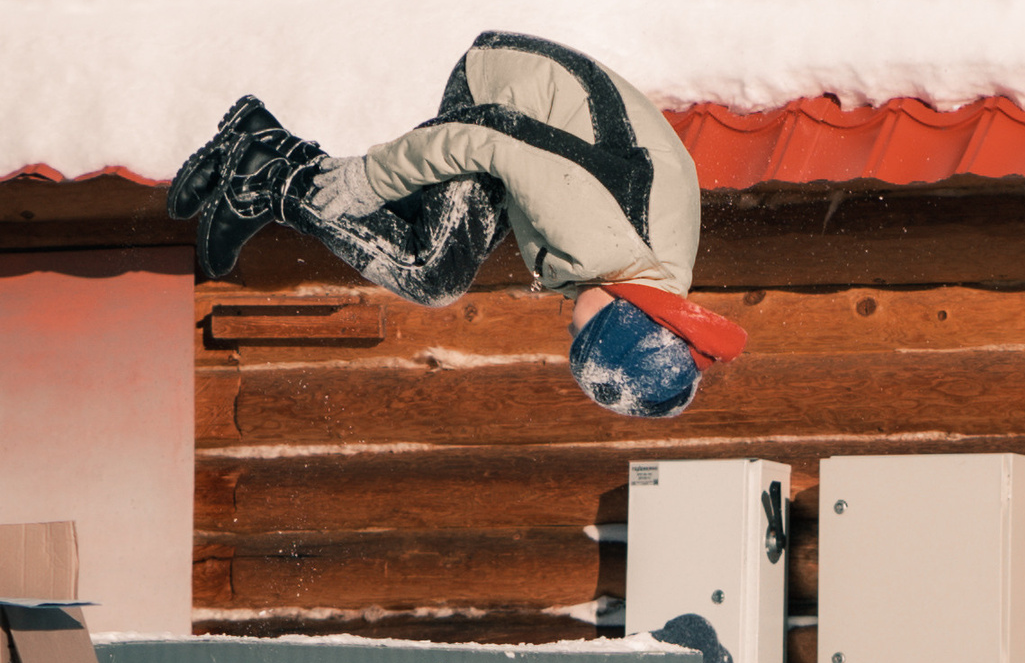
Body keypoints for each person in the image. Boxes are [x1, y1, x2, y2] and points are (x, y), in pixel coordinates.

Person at [167, 30, 744, 420]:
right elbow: (491, 135)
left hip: (531, 117)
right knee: (432, 269)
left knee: (426, 235)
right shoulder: (600, 238)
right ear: (624, 316)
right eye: (582, 338)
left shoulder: (642, 274)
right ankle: (270, 178)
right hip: (500, 83)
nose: (567, 333)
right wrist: (370, 176)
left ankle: (264, 152)